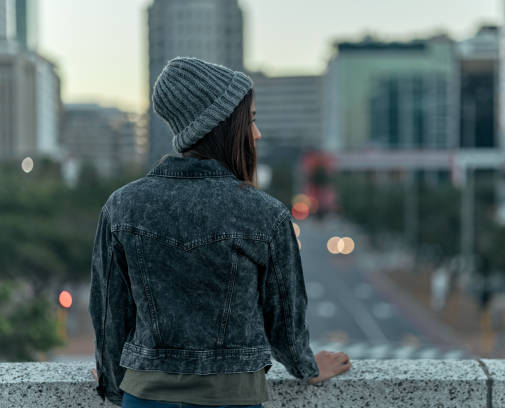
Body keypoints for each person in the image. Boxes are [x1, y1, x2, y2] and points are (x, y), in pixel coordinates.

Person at [88, 57, 351, 408]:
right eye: (251, 121)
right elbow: (284, 317)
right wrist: (306, 366)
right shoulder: (264, 213)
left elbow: (108, 312)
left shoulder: (122, 206)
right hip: (232, 399)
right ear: (224, 125)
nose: (256, 133)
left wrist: (110, 377)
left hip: (145, 396)